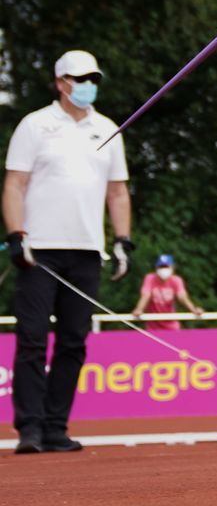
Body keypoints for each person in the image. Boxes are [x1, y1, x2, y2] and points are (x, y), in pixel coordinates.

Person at [4, 49, 134, 454]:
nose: (88, 85)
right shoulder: (35, 125)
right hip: (39, 250)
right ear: (61, 83)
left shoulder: (109, 129)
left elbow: (117, 191)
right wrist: (16, 233)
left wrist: (122, 240)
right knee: (32, 340)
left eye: (94, 78)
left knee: (75, 341)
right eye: (81, 79)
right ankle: (30, 428)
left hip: (87, 251)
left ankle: (56, 426)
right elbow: (14, 185)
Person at [132, 254, 205, 330]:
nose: (163, 269)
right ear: (156, 268)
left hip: (172, 326)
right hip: (152, 327)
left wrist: (193, 309)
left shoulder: (176, 280)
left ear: (172, 268)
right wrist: (139, 309)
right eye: (161, 267)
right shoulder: (149, 278)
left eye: (166, 267)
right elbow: (145, 295)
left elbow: (182, 297)